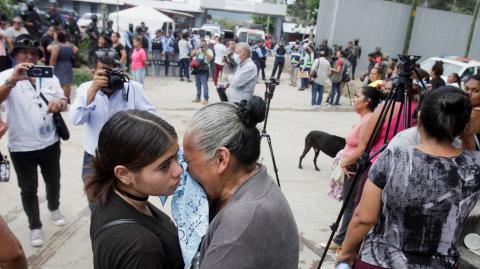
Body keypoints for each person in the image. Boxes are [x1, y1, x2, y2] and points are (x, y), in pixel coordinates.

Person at [337, 87, 480, 268]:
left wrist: (347, 251)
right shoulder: (474, 167)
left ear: (420, 117)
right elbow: (471, 158)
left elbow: (363, 217)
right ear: (464, 125)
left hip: (381, 260)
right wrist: (468, 134)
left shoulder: (396, 156)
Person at [183, 97, 299, 268]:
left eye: (188, 162)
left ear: (221, 159)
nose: (183, 170)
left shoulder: (241, 221)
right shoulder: (252, 179)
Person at [86, 110, 184, 269]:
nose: (178, 170)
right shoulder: (141, 249)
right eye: (164, 166)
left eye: (176, 156)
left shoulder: (110, 196)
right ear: (124, 174)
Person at [0, 34, 68, 247]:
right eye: (24, 52)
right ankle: (35, 225)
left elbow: (63, 101)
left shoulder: (50, 76)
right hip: (21, 147)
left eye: (34, 53)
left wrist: (59, 101)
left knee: (53, 181)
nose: (29, 56)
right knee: (28, 188)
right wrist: (13, 80)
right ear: (15, 55)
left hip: (50, 142)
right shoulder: (4, 76)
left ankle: (54, 208)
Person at [71, 55, 156, 183]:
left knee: (127, 198)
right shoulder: (85, 88)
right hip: (95, 156)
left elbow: (152, 118)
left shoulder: (133, 88)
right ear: (93, 73)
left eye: (114, 72)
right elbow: (76, 119)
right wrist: (92, 91)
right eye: (105, 73)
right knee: (94, 197)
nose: (110, 77)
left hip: (126, 156)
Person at [324, 86, 383, 250]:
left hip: (354, 166)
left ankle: (341, 241)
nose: (354, 98)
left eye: (357, 96)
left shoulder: (367, 120)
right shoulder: (363, 118)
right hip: (350, 164)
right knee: (348, 204)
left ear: (367, 101)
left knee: (350, 206)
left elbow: (363, 148)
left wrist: (344, 162)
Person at [48, 30, 79, 102]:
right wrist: (71, 54)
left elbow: (53, 59)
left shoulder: (56, 46)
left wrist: (50, 68)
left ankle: (60, 99)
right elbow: (76, 49)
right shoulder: (70, 45)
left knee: (59, 82)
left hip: (59, 65)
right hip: (68, 64)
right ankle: (67, 98)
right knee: (67, 83)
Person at [191, 40, 213, 105]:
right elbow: (192, 55)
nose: (202, 46)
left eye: (204, 44)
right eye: (201, 44)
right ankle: (198, 98)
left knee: (204, 85)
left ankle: (206, 99)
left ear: (206, 45)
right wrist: (195, 50)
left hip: (204, 70)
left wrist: (205, 52)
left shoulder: (209, 51)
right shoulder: (198, 50)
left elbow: (210, 59)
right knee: (197, 85)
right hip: (197, 70)